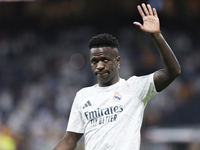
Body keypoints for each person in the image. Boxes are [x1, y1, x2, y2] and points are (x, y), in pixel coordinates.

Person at [53, 3, 181, 150]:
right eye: (94, 61)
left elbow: (173, 71)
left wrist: (157, 36)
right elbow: (70, 139)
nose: (99, 65)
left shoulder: (135, 88)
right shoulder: (83, 96)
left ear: (117, 61)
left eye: (105, 60)